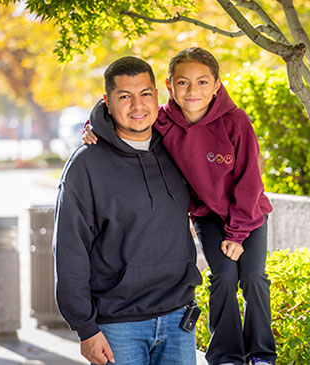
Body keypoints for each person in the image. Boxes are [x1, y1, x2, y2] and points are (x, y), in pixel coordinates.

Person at [83, 48, 277, 365]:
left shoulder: (235, 121)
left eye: (202, 82)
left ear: (216, 85)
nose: (192, 91)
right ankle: (226, 355)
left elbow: (250, 181)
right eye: (183, 83)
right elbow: (125, 113)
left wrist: (238, 234)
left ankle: (261, 353)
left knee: (253, 277)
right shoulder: (163, 120)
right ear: (170, 87)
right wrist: (93, 129)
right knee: (224, 277)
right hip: (208, 216)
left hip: (248, 214)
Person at [54, 56, 202, 365]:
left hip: (178, 319)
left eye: (145, 94)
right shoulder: (86, 165)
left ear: (157, 97)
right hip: (116, 326)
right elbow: (70, 250)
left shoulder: (178, 149)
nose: (137, 106)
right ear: (107, 102)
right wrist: (85, 328)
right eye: (125, 96)